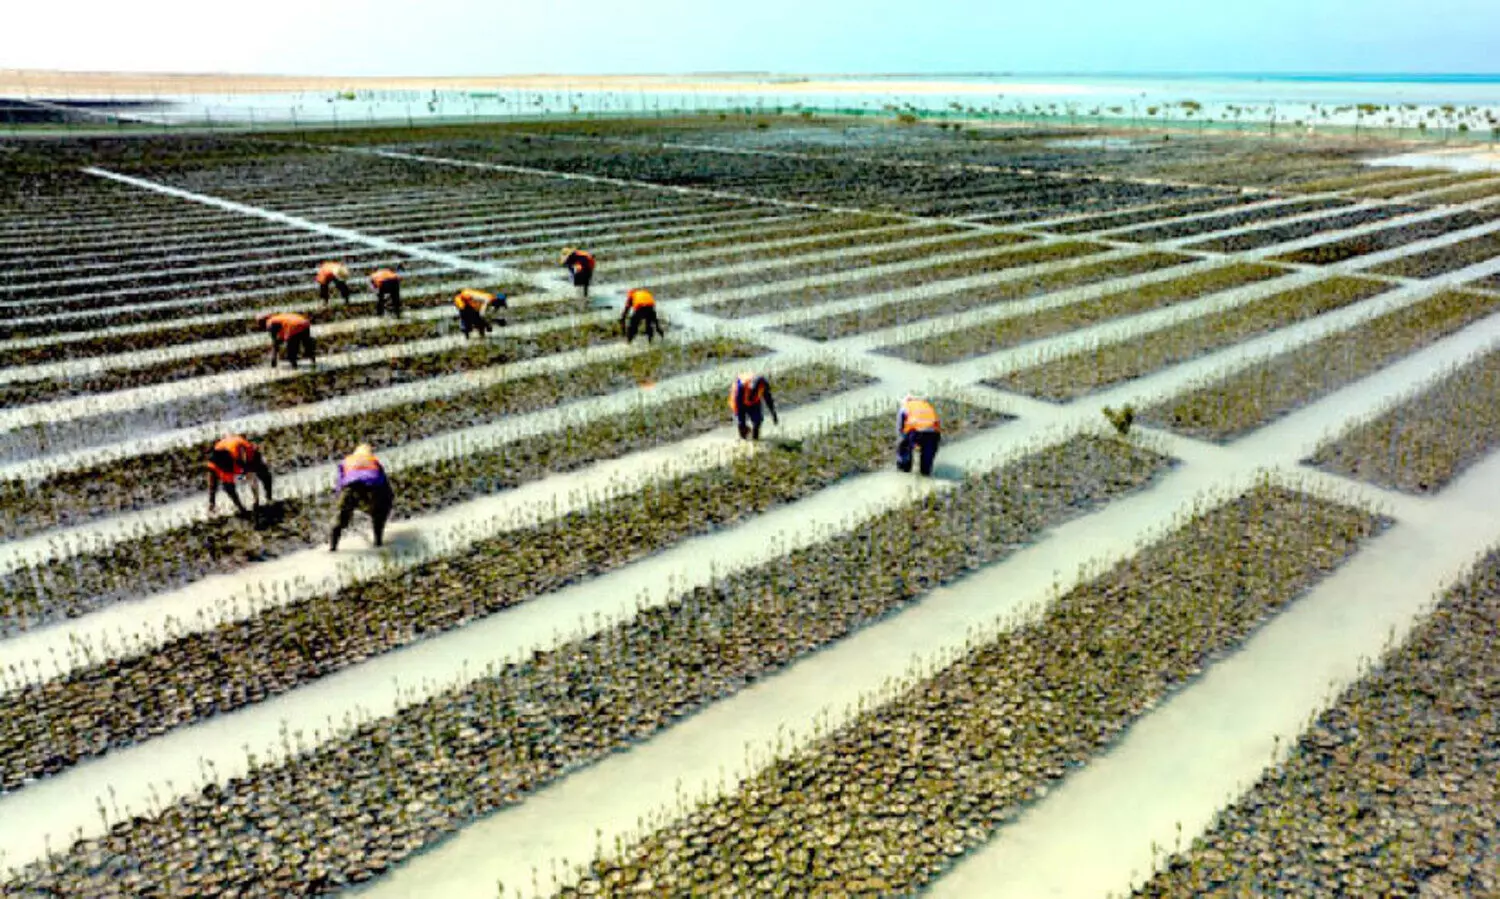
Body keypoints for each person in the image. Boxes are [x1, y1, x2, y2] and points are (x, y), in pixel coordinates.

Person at [330, 443, 395, 551]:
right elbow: (385, 484)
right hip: (373, 488)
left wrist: (340, 500)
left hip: (351, 488)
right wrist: (387, 501)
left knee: (340, 519)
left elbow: (340, 484)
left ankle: (333, 547)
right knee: (379, 512)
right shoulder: (374, 461)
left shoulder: (346, 461)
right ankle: (378, 541)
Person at [205, 433, 273, 516]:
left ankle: (269, 498)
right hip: (229, 455)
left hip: (243, 451)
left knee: (264, 474)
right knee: (228, 486)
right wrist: (212, 501)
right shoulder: (213, 465)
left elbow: (251, 477)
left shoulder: (242, 453)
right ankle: (241, 509)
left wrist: (256, 501)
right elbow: (212, 483)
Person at [897, 394, 942, 476]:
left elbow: (900, 429)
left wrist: (904, 444)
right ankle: (926, 474)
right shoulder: (927, 405)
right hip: (934, 434)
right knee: (926, 465)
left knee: (904, 447)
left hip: (916, 432)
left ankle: (904, 470)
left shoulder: (905, 406)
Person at [728, 371, 778, 441]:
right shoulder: (740, 387)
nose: (752, 393)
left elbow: (768, 400)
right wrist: (742, 423)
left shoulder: (762, 386)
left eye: (754, 391)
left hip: (754, 402)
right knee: (741, 425)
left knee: (758, 421)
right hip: (739, 402)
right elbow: (738, 408)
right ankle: (743, 440)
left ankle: (755, 441)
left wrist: (773, 413)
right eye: (752, 391)